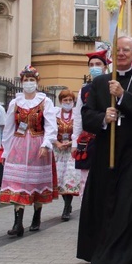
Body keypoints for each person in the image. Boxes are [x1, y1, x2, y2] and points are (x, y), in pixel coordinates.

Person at [76, 35, 132, 264]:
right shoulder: (100, 82)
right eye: (118, 50)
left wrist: (122, 97)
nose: (121, 53)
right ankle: (99, 253)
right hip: (105, 151)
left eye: (126, 50)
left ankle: (119, 263)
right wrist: (103, 117)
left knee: (126, 203)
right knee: (104, 200)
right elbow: (86, 115)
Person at [0, 65, 57, 236]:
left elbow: (51, 126)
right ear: (22, 82)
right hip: (19, 145)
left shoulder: (45, 101)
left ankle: (37, 215)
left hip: (38, 146)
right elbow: (9, 128)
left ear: (37, 82)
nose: (29, 83)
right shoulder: (15, 102)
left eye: (32, 80)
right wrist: (6, 151)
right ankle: (18, 223)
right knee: (18, 183)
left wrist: (46, 144)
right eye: (26, 80)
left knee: (36, 182)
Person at [71, 49, 111, 192]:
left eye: (98, 64)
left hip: (107, 137)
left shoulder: (112, 86)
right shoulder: (84, 90)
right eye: (92, 64)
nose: (94, 67)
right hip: (87, 140)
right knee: (85, 180)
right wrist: (75, 141)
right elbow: (77, 117)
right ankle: (85, 211)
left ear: (105, 67)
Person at [54, 89, 79, 221]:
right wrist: (57, 142)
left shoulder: (77, 114)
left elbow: (79, 130)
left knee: (69, 178)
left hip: (71, 150)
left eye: (70, 100)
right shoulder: (55, 113)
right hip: (58, 150)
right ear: (60, 101)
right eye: (65, 100)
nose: (68, 102)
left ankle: (66, 207)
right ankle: (66, 204)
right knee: (59, 178)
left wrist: (71, 142)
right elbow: (50, 129)